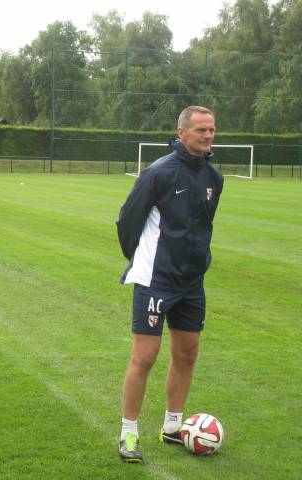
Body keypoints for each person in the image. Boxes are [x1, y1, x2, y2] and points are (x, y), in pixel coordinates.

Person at [116, 106, 224, 462]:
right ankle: (128, 434)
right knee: (145, 356)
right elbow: (127, 221)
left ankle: (173, 427)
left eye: (211, 130)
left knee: (187, 352)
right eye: (200, 130)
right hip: (155, 280)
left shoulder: (214, 176)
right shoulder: (158, 173)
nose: (208, 136)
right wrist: (143, 261)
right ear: (181, 133)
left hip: (192, 282)